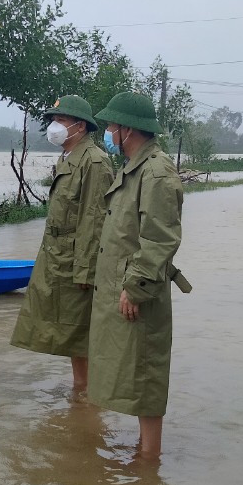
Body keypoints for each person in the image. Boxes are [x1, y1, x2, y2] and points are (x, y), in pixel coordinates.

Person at [87, 91, 190, 460]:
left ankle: (149, 465)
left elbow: (160, 238)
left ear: (128, 130)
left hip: (138, 291)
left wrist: (135, 287)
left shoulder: (157, 172)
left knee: (146, 375)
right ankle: (143, 455)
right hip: (124, 288)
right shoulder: (133, 168)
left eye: (112, 126)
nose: (110, 133)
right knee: (129, 372)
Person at [10, 94, 113, 393]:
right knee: (69, 332)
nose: (54, 126)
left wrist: (86, 271)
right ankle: (81, 396)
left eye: (61, 120)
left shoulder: (94, 161)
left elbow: (94, 221)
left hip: (75, 263)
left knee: (81, 332)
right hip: (57, 257)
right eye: (53, 120)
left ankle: (88, 399)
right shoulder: (69, 157)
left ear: (80, 126)